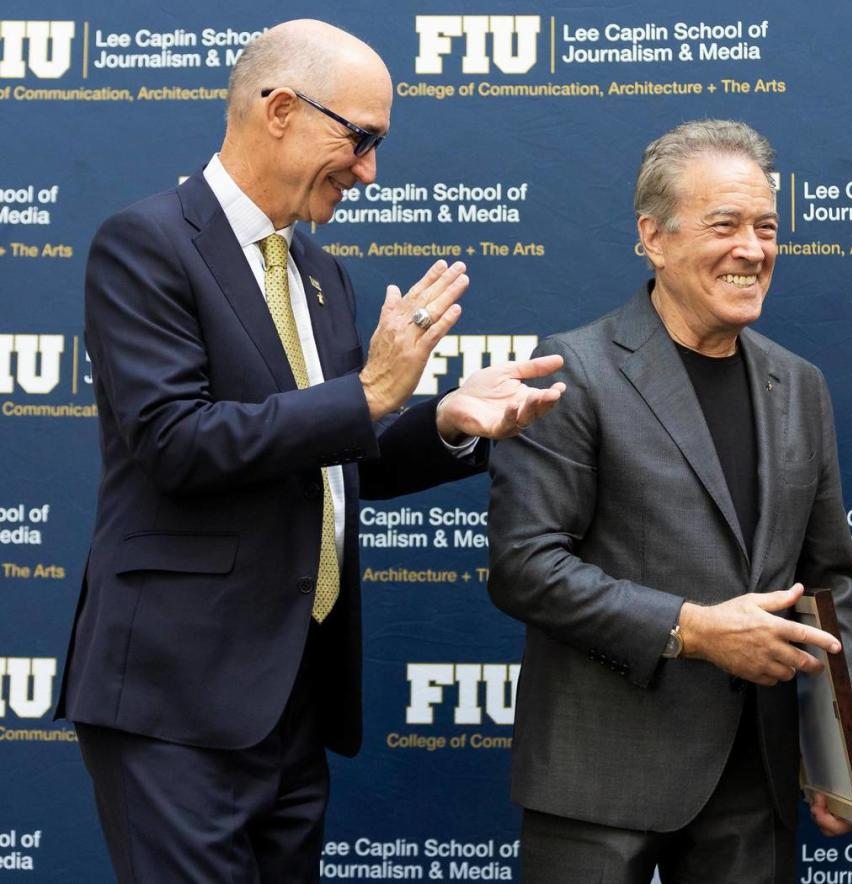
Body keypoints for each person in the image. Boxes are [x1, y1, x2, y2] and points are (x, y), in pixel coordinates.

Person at [55, 19, 564, 883]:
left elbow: (333, 456)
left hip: (291, 696)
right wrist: (369, 392)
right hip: (175, 700)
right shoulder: (145, 244)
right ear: (281, 108)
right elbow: (174, 443)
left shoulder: (322, 275)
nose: (369, 170)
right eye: (360, 139)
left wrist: (445, 420)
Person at [487, 119, 852, 883]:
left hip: (755, 786)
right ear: (653, 238)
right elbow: (523, 567)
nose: (752, 249)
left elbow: (826, 579)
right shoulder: (576, 371)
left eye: (766, 227)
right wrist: (692, 630)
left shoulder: (799, 385)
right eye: (724, 225)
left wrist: (838, 736)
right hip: (600, 778)